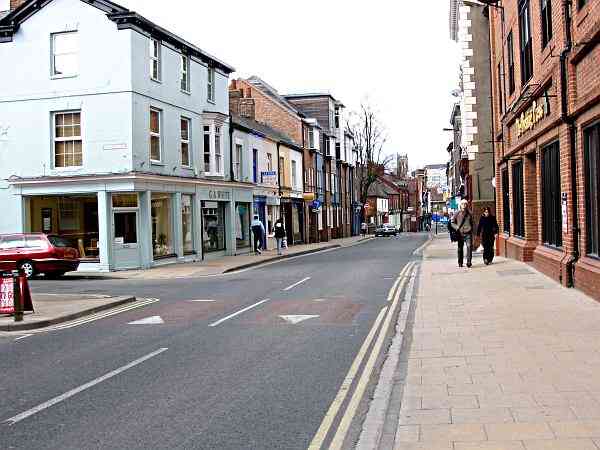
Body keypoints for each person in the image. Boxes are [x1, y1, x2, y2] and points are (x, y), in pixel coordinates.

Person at [451, 199, 474, 268]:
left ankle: (469, 262)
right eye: (463, 204)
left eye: (465, 204)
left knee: (469, 247)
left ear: (467, 205)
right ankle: (460, 262)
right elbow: (452, 222)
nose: (464, 205)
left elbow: (473, 223)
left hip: (468, 233)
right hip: (460, 233)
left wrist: (473, 232)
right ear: (460, 205)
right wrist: (456, 227)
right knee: (460, 248)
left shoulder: (470, 213)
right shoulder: (457, 213)